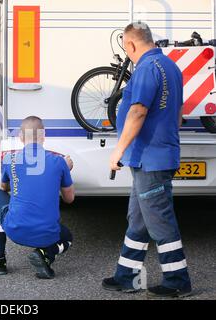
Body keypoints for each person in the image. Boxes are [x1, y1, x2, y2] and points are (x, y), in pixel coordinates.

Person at [102, 22, 192, 297]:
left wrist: (118, 151)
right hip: (155, 156)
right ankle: (126, 275)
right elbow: (177, 113)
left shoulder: (144, 69)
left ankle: (178, 280)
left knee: (159, 221)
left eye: (126, 47)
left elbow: (138, 111)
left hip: (150, 159)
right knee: (138, 219)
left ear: (130, 44)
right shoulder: (171, 67)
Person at [0, 116, 75, 279]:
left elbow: (3, 189)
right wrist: (66, 169)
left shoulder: (10, 159)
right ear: (44, 135)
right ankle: (45, 253)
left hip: (15, 230)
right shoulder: (59, 162)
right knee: (67, 237)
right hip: (48, 234)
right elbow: (69, 199)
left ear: (21, 137)